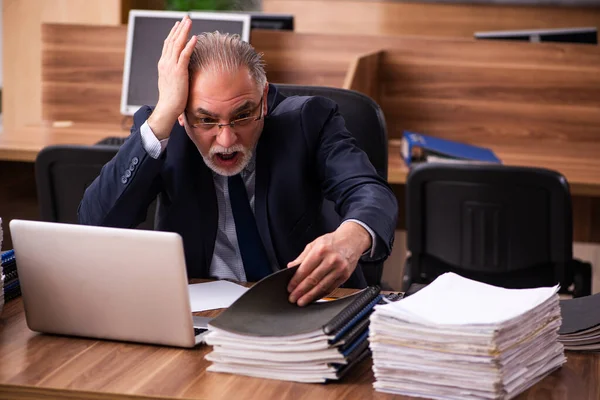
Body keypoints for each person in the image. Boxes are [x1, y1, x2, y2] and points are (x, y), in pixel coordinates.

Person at [78, 16, 397, 306]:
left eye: (243, 115)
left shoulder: (308, 120)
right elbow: (95, 224)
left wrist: (350, 239)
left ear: (264, 100)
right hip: (201, 314)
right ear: (181, 115)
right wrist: (163, 116)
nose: (227, 140)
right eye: (206, 120)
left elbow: (369, 191)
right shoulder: (164, 130)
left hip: (301, 307)